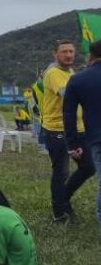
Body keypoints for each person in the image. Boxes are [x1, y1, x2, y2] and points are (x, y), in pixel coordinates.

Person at [41, 40, 95, 222]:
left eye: (71, 51)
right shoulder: (53, 73)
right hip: (57, 129)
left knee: (88, 167)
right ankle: (59, 210)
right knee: (61, 171)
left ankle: (63, 198)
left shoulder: (70, 72)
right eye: (64, 51)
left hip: (77, 129)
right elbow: (66, 93)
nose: (69, 55)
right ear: (55, 54)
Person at [63, 39, 101, 234]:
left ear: (91, 56)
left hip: (96, 138)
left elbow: (68, 115)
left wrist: (72, 144)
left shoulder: (78, 79)